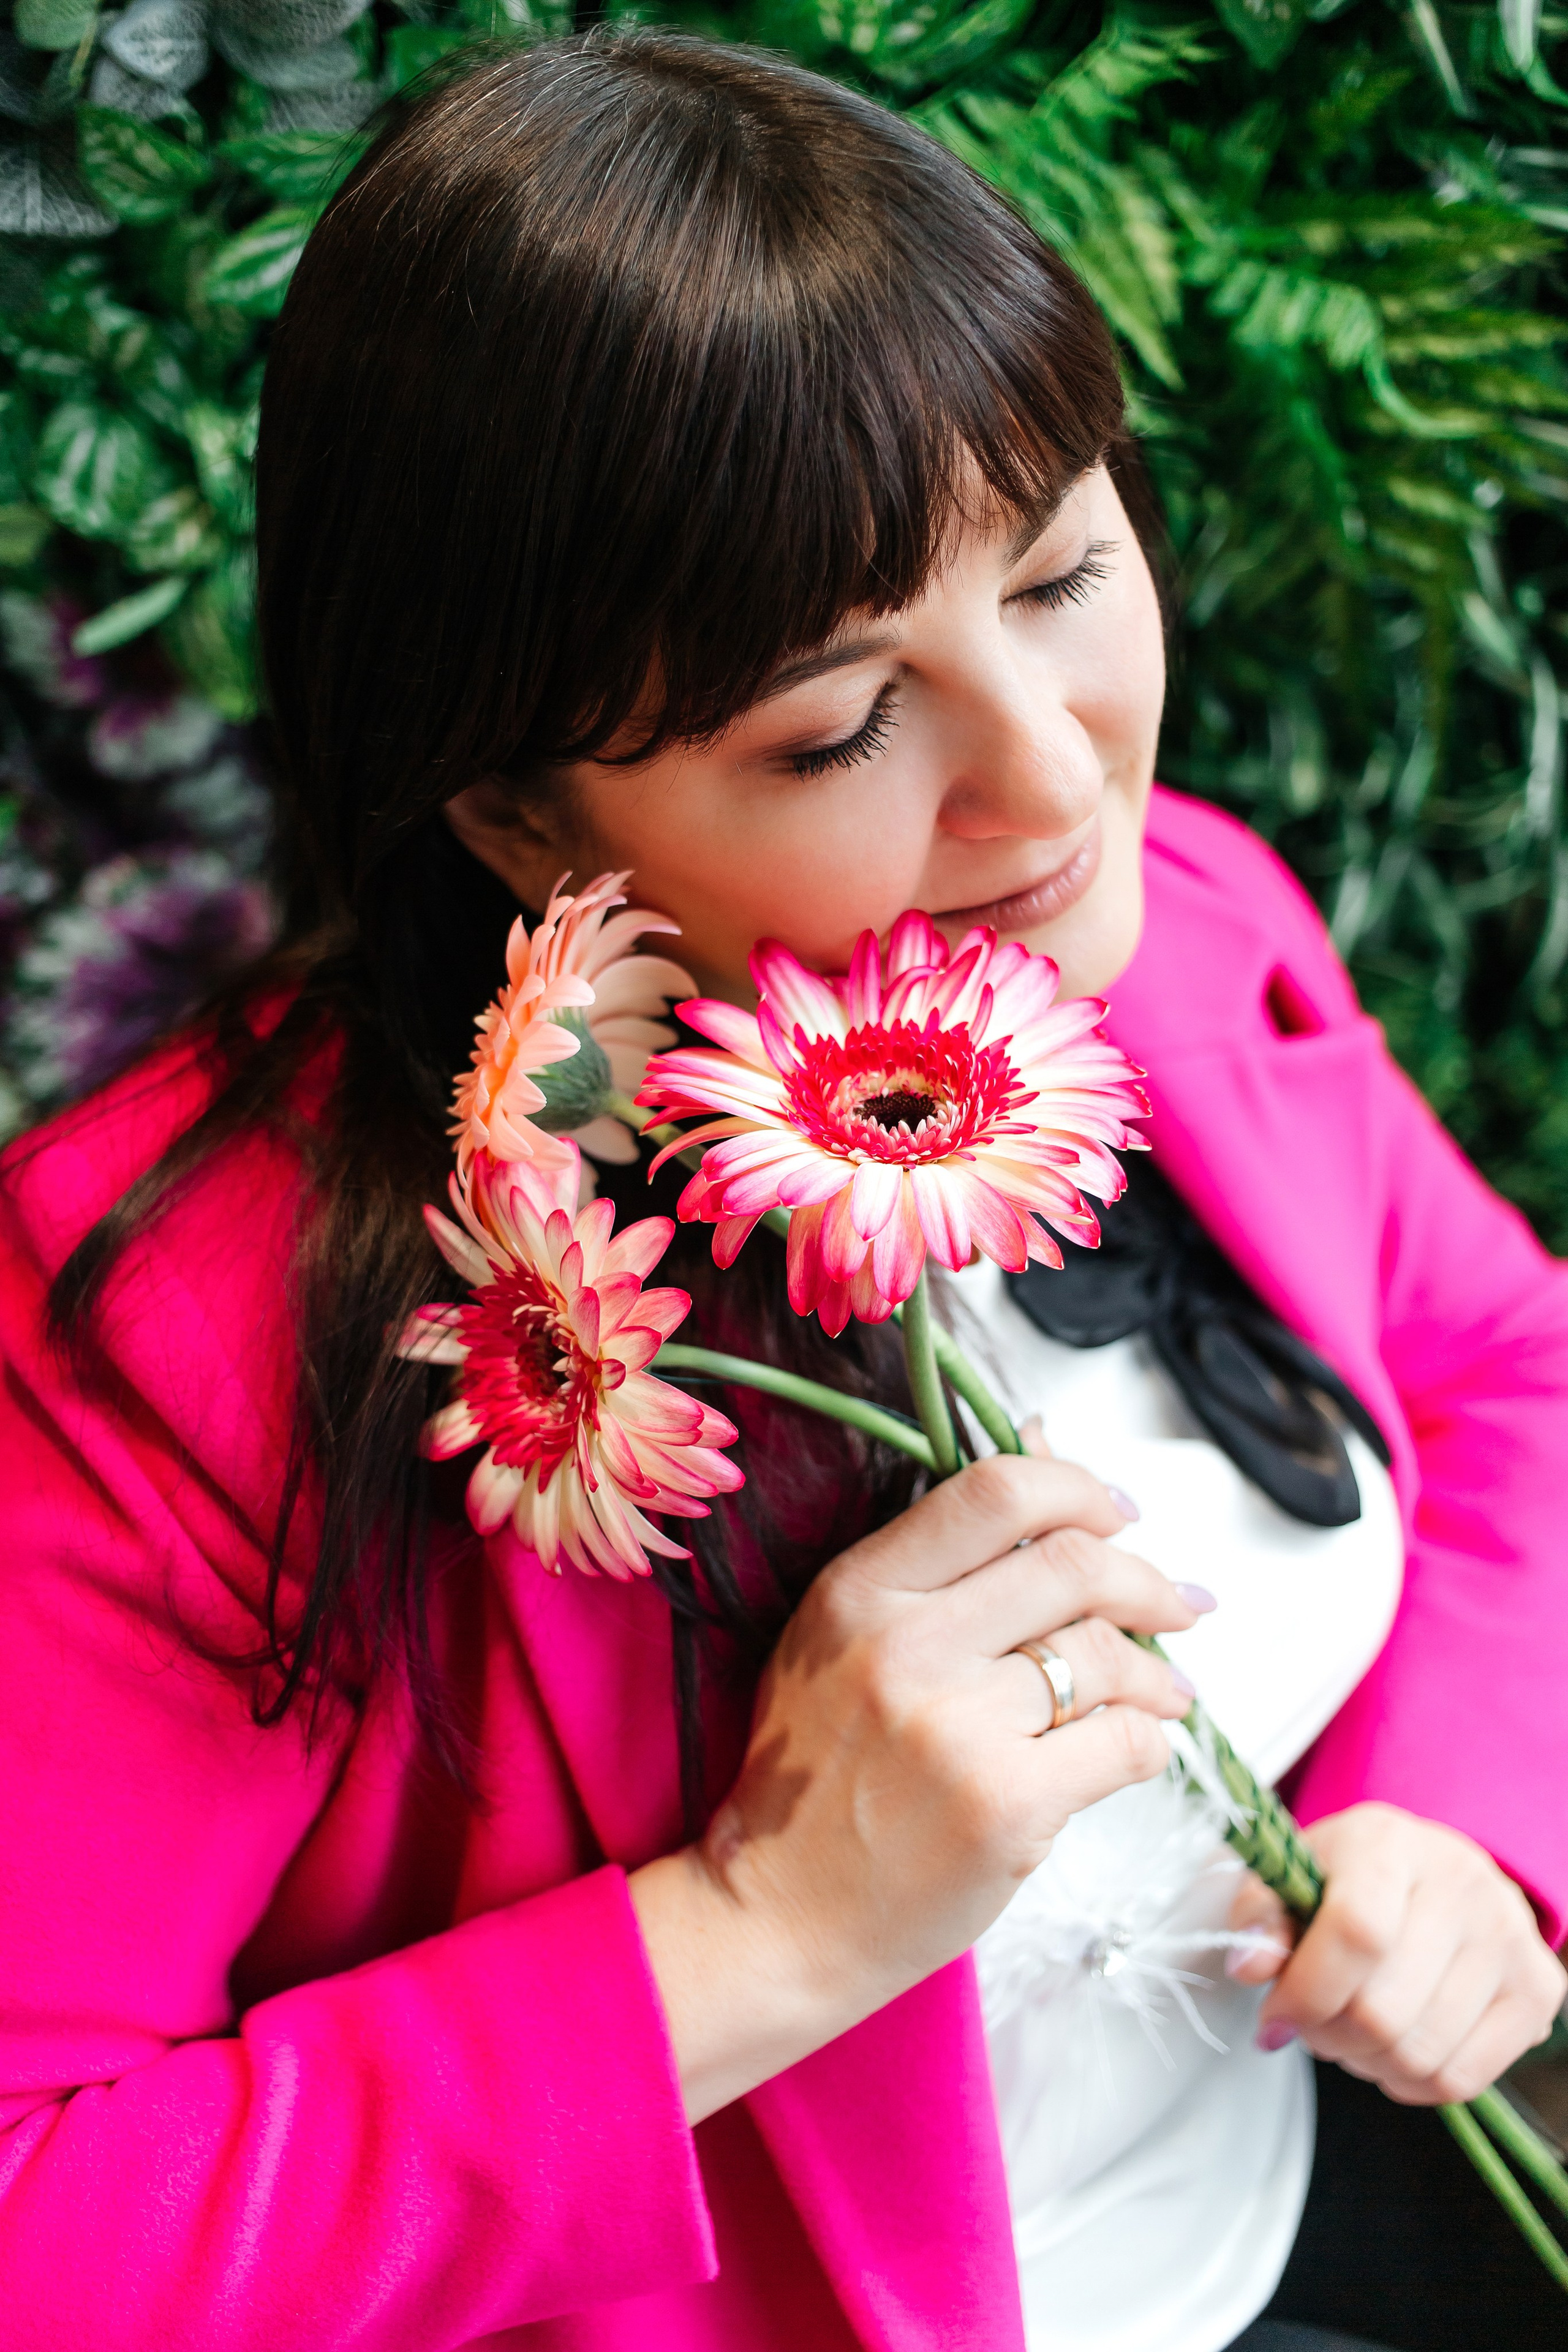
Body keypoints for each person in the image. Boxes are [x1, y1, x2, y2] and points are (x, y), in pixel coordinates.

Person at [1, 31, 1564, 2352]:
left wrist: (1461, 1819)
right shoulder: (161, 1335)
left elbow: (1507, 1366)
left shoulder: (1185, 930)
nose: (1048, 784)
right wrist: (765, 1929)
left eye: (1061, 576)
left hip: (1302, 2215)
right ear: (526, 823)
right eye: (836, 728)